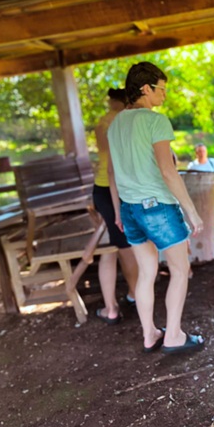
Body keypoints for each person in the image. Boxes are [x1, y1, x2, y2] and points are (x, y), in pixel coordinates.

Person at [107, 62, 205, 354]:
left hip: (130, 209)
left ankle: (150, 334)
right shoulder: (155, 121)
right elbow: (168, 170)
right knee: (179, 269)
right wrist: (191, 211)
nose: (164, 95)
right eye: (161, 89)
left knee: (147, 272)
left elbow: (112, 174)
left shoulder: (115, 124)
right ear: (146, 89)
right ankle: (173, 335)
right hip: (158, 207)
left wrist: (116, 212)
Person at [87, 88, 139, 324]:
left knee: (118, 244)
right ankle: (134, 295)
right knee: (123, 244)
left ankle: (123, 299)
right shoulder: (121, 120)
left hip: (109, 188)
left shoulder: (106, 121)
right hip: (112, 188)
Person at [187, 142, 214, 228]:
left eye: (203, 151)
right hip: (199, 194)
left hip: (213, 192)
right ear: (196, 153)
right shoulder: (192, 166)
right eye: (199, 151)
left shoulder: (213, 163)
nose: (202, 153)